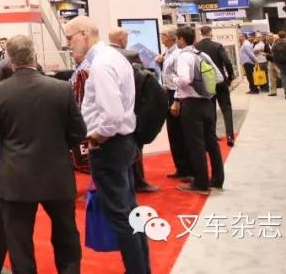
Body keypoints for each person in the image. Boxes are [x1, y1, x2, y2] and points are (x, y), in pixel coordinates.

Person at [0, 35, 86, 274]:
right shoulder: (61, 89)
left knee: (19, 243)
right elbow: (78, 133)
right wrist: (56, 147)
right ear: (34, 56)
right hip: (57, 176)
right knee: (66, 236)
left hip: (16, 179)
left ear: (9, 61)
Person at [64, 16, 149, 274]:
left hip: (109, 146)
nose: (68, 44)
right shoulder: (113, 58)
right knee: (130, 212)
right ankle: (141, 269)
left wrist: (96, 138)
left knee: (121, 216)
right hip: (122, 143)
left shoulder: (101, 64)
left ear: (84, 33)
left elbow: (111, 116)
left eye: (70, 38)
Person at [171, 26, 225, 194]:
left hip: (191, 105)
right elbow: (219, 77)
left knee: (196, 145)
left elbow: (185, 80)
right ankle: (217, 179)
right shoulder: (202, 55)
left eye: (177, 39)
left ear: (181, 39)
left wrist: (174, 78)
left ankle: (201, 183)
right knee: (212, 143)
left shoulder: (184, 57)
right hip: (208, 103)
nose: (177, 41)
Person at [107, 27, 157, 193]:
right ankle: (139, 182)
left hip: (110, 111)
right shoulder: (131, 55)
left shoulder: (103, 56)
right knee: (135, 147)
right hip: (132, 109)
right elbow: (142, 81)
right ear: (122, 39)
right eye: (127, 37)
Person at [155, 27, 191, 180]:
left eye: (163, 35)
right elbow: (167, 74)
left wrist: (176, 100)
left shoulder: (177, 54)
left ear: (170, 37)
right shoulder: (167, 53)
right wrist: (160, 63)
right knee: (173, 133)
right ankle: (181, 168)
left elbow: (179, 79)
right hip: (168, 93)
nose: (161, 37)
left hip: (176, 94)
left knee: (179, 133)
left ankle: (187, 169)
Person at [196, 26, 236, 145]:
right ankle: (230, 136)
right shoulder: (217, 46)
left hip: (206, 82)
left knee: (210, 109)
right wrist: (230, 76)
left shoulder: (196, 47)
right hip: (220, 81)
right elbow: (227, 62)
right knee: (226, 108)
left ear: (201, 33)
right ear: (210, 33)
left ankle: (212, 136)